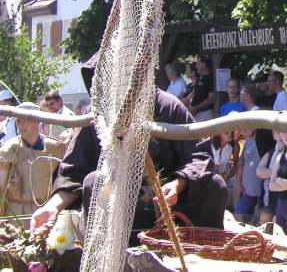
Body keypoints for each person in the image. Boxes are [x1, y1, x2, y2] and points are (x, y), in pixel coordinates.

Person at [30, 89, 227, 240]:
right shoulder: (99, 113)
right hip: (118, 211)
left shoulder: (168, 106)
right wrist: (52, 207)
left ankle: (203, 249)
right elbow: (74, 171)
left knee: (215, 184)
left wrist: (178, 184)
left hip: (174, 211)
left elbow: (199, 155)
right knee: (94, 181)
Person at [0, 101, 66, 217]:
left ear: (37, 120)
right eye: (18, 121)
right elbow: (1, 188)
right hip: (15, 213)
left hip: (45, 211)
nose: (21, 125)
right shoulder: (9, 150)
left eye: (26, 120)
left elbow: (63, 183)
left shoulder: (55, 149)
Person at [268, 132, 287, 234]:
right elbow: (271, 186)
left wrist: (280, 181)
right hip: (280, 205)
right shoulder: (280, 156)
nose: (286, 135)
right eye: (283, 132)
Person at [234, 126, 263, 224]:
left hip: (262, 192)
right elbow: (240, 164)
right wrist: (238, 183)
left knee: (258, 221)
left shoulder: (265, 141)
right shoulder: (248, 142)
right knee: (238, 214)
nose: (244, 129)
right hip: (247, 190)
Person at [189, 54, 215, 121]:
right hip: (196, 114)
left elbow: (211, 98)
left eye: (198, 63)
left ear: (204, 64)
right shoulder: (200, 77)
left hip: (205, 114)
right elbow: (194, 93)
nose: (196, 66)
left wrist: (196, 108)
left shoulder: (211, 78)